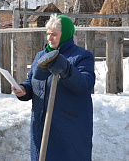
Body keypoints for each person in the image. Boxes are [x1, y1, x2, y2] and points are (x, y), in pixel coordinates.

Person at [12, 14, 95, 161]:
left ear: (66, 35)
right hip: (41, 126)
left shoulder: (82, 56)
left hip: (68, 130)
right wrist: (24, 90)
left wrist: (66, 69)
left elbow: (84, 85)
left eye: (54, 35)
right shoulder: (40, 56)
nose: (50, 38)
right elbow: (32, 81)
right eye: (48, 34)